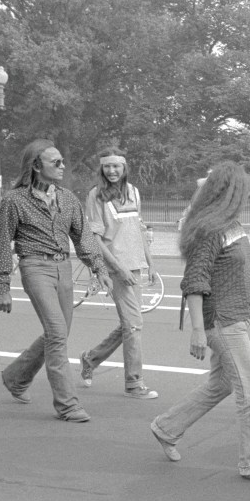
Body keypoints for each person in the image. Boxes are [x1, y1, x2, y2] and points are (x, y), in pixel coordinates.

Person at [148, 162, 250, 483]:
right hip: (222, 320)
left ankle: (167, 427)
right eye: (243, 190)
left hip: (237, 317)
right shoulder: (209, 229)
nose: (248, 195)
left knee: (224, 383)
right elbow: (194, 281)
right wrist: (197, 332)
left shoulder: (232, 225)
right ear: (229, 193)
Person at [0, 140, 110, 423]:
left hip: (64, 268)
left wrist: (99, 269)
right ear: (35, 165)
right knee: (57, 333)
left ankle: (16, 377)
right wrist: (2, 288)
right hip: (35, 266)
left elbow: (83, 237)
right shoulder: (14, 200)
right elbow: (0, 244)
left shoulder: (68, 198)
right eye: (55, 162)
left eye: (62, 161)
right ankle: (68, 405)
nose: (62, 166)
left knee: (57, 334)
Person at [78, 153, 159, 399]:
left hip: (135, 266)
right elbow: (95, 238)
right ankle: (134, 384)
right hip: (115, 268)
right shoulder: (95, 195)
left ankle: (90, 359)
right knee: (134, 325)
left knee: (130, 324)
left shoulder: (133, 191)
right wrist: (118, 268)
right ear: (102, 170)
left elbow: (139, 229)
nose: (112, 171)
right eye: (108, 167)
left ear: (124, 168)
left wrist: (150, 263)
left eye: (116, 166)